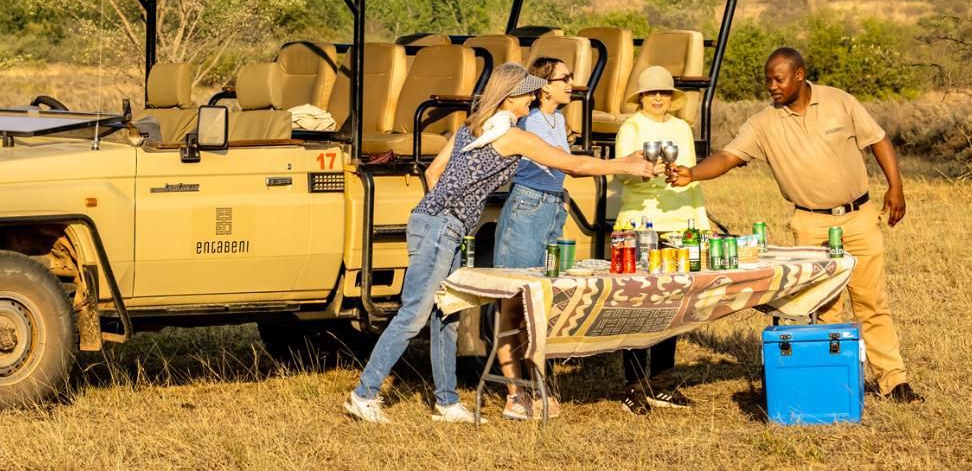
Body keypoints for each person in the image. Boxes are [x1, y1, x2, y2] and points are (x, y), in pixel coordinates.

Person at [345, 62, 657, 424]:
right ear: (512, 96)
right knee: (414, 316)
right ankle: (364, 394)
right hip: (441, 227)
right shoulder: (510, 136)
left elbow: (433, 173)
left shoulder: (471, 126)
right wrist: (626, 166)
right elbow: (572, 166)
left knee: (446, 314)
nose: (534, 99)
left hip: (436, 223)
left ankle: (446, 402)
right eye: (529, 93)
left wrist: (445, 210)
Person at [670, 47, 923, 404]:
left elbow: (878, 139)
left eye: (778, 79)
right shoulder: (763, 123)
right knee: (824, 303)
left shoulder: (839, 102)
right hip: (810, 223)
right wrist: (692, 173)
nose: (771, 86)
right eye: (767, 80)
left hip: (859, 215)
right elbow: (728, 157)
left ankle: (894, 381)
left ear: (800, 75)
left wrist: (895, 187)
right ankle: (836, 381)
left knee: (871, 301)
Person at [612, 64, 711, 414]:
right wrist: (645, 172)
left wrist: (699, 222)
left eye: (664, 93)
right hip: (640, 223)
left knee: (675, 305)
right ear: (641, 97)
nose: (658, 98)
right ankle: (634, 386)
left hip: (680, 221)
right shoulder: (632, 127)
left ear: (672, 97)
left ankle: (663, 383)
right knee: (640, 304)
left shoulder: (682, 128)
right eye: (652, 93)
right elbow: (622, 174)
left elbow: (693, 178)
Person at [490, 56, 575, 419]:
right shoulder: (528, 121)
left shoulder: (559, 120)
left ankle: (537, 387)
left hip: (554, 207)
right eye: (564, 78)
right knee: (513, 302)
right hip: (527, 207)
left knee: (541, 303)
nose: (571, 83)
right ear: (544, 86)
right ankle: (515, 394)